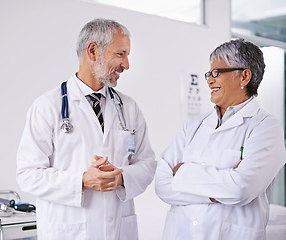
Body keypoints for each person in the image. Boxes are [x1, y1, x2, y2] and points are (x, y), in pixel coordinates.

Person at [16, 18, 156, 240]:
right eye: (120, 54)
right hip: (68, 231)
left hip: (119, 230)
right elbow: (28, 174)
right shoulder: (47, 107)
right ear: (92, 51)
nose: (126, 64)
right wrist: (81, 181)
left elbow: (147, 164)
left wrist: (120, 178)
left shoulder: (128, 108)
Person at [155, 39, 286, 240]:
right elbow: (162, 185)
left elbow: (241, 189)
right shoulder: (193, 126)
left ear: (244, 76)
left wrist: (183, 173)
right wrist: (222, 186)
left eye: (217, 73)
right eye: (209, 74)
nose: (209, 80)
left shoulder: (266, 127)